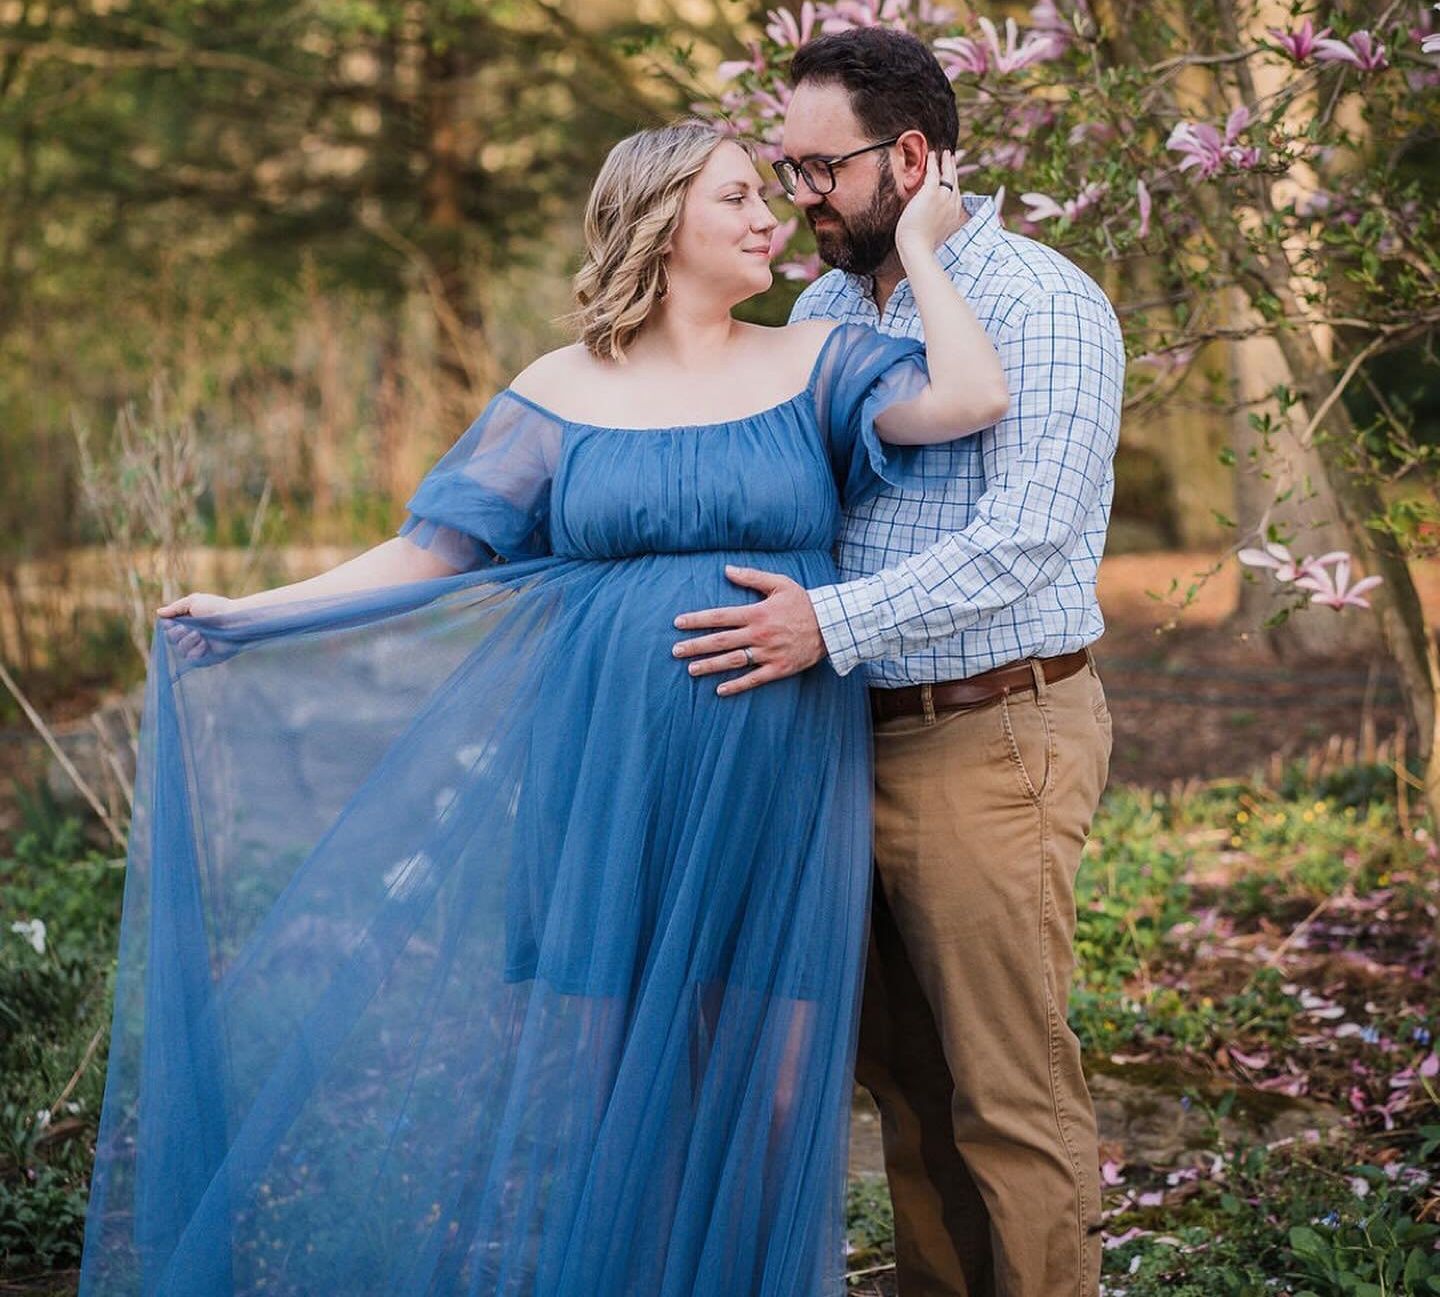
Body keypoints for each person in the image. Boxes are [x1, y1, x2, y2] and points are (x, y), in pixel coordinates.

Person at [79, 122, 1008, 1297]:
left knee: (775, 1086)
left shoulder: (814, 356)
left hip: (774, 764)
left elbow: (973, 397)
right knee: (626, 1080)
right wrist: (256, 610)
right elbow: (432, 553)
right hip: (607, 762)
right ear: (665, 220)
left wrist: (924, 243)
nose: (773, 215)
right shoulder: (560, 390)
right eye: (738, 196)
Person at [672, 29, 1126, 1295]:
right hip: (835, 745)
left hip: (993, 735)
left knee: (1008, 1090)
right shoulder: (822, 307)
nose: (794, 195)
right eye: (783, 166)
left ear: (912, 157)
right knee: (903, 1084)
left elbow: (1027, 541)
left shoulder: (1044, 302)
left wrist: (831, 622)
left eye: (818, 169)